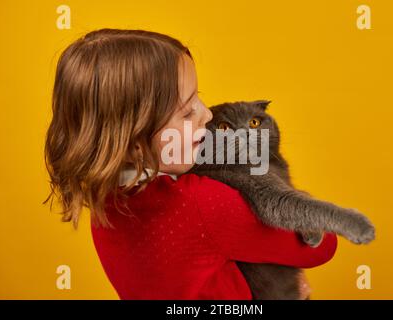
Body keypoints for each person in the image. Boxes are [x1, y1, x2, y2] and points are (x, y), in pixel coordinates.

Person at [44, 28, 337, 299]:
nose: (207, 115)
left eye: (199, 98)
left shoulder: (104, 201)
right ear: (135, 140)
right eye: (186, 113)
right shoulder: (202, 203)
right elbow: (321, 247)